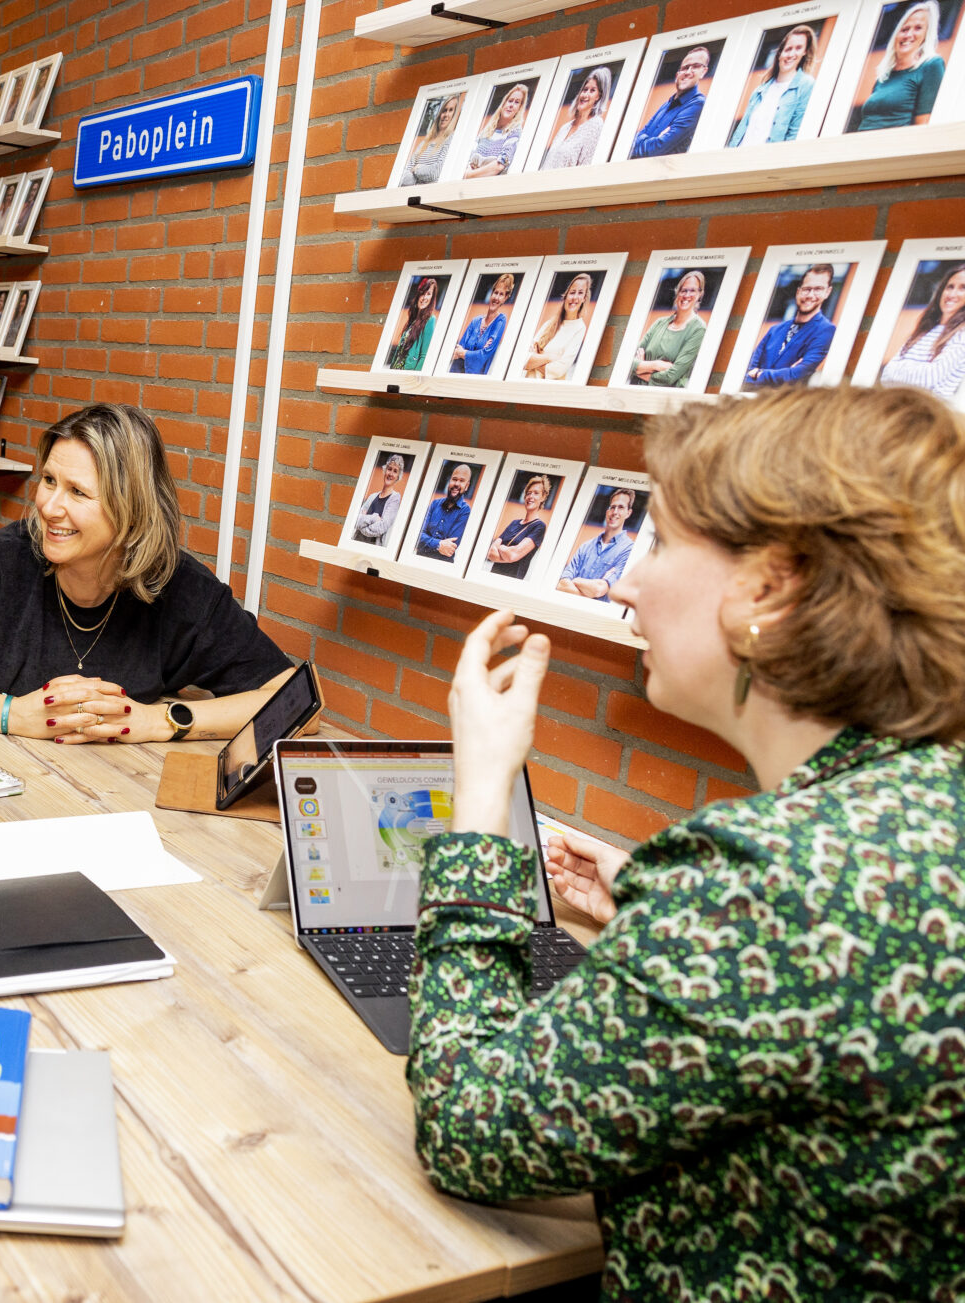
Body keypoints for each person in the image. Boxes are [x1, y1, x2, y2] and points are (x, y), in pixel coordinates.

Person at [411, 383, 965, 1299]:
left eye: (661, 541)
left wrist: (480, 795)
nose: (626, 578)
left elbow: (468, 1126)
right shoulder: (911, 806)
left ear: (769, 588)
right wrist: (660, 908)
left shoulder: (762, 885)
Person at [0, 404, 293, 744]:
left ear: (131, 511)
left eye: (77, 492)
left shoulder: (177, 586)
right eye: (49, 481)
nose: (50, 506)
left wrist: (162, 720)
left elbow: (294, 701)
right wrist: (9, 714)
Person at [854, 0, 946, 131]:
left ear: (927, 34)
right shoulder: (884, 76)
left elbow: (924, 127)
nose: (908, 35)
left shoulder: (931, 66)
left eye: (918, 28)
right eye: (905, 29)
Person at [880, 262, 965, 401]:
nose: (952, 294)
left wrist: (902, 367)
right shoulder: (926, 330)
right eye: (950, 287)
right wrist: (917, 369)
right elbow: (886, 373)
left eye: (963, 288)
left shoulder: (962, 335)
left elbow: (929, 377)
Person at [743, 263, 838, 387]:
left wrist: (759, 374)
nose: (810, 295)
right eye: (806, 289)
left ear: (827, 292)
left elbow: (798, 374)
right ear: (798, 291)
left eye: (818, 289)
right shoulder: (775, 330)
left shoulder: (826, 330)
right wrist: (784, 374)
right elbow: (745, 371)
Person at [727, 25, 819, 146]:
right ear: (780, 52)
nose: (791, 54)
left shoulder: (806, 84)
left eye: (798, 48)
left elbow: (794, 133)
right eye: (788, 49)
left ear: (804, 52)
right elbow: (741, 131)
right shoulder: (760, 90)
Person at [629, 269, 709, 387]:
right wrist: (656, 365)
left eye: (692, 291)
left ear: (699, 294)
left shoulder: (698, 329)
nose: (686, 295)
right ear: (678, 292)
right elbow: (628, 362)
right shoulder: (659, 323)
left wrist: (641, 369)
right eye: (683, 290)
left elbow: (671, 377)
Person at [553, 487, 636, 600]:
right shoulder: (586, 546)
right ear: (607, 511)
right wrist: (588, 592)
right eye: (612, 507)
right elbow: (561, 584)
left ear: (628, 513)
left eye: (621, 507)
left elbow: (598, 590)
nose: (615, 512)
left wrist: (575, 580)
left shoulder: (629, 550)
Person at [630, 45, 710, 158]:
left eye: (695, 66)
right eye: (685, 67)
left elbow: (657, 149)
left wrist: (643, 140)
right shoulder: (666, 105)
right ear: (677, 75)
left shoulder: (697, 104)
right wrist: (651, 140)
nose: (688, 72)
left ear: (703, 71)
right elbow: (632, 142)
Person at [520, 273, 593, 380]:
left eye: (580, 293)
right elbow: (524, 360)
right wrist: (550, 357)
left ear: (584, 298)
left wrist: (537, 359)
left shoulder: (579, 328)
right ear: (566, 295)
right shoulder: (549, 324)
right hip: (527, 384)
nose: (575, 297)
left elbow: (559, 370)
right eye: (572, 292)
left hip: (548, 392)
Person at [540, 65, 613, 169]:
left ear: (599, 96)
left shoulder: (596, 125)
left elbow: (585, 167)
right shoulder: (564, 128)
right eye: (585, 89)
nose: (585, 95)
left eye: (592, 91)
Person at [482, 474, 550, 578]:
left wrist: (501, 548)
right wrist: (508, 554)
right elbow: (491, 552)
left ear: (543, 497)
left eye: (536, 493)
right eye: (528, 493)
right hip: (493, 576)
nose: (530, 496)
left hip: (512, 581)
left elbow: (514, 555)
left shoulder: (539, 527)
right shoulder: (514, 523)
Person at [449, 274, 517, 374]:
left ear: (506, 298)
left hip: (474, 379)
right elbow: (456, 352)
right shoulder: (475, 321)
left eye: (501, 294)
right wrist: (473, 354)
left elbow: (484, 355)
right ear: (491, 293)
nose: (496, 298)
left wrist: (463, 353)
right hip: (455, 373)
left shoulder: (500, 320)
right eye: (495, 292)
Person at [462, 82, 529, 178]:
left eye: (517, 102)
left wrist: (470, 174)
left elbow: (499, 165)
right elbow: (469, 155)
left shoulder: (515, 131)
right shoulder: (488, 128)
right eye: (510, 100)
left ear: (519, 108)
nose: (511, 105)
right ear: (504, 103)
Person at [414, 463, 474, 561]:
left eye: (462, 481)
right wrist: (439, 544)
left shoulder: (465, 511)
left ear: (466, 486)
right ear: (449, 481)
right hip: (418, 558)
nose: (456, 484)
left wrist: (427, 541)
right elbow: (417, 535)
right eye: (454, 479)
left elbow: (450, 547)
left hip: (441, 565)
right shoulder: (434, 504)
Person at [405, 93, 463, 185]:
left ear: (455, 114)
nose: (446, 115)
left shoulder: (451, 139)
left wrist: (417, 169)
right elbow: (407, 170)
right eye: (444, 110)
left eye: (451, 110)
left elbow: (436, 172)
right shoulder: (425, 141)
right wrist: (419, 174)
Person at [386, 277, 440, 371]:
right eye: (423, 293)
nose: (424, 297)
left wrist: (413, 378)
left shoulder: (430, 320)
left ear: (432, 298)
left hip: (408, 373)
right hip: (396, 371)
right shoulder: (414, 318)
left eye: (428, 294)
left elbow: (424, 356)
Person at [354, 454, 409, 546]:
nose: (391, 474)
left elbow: (381, 528)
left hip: (374, 549)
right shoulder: (372, 496)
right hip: (356, 543)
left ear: (398, 476)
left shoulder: (395, 499)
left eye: (395, 471)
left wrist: (363, 523)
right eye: (389, 469)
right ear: (385, 470)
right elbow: (356, 519)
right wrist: (374, 518)